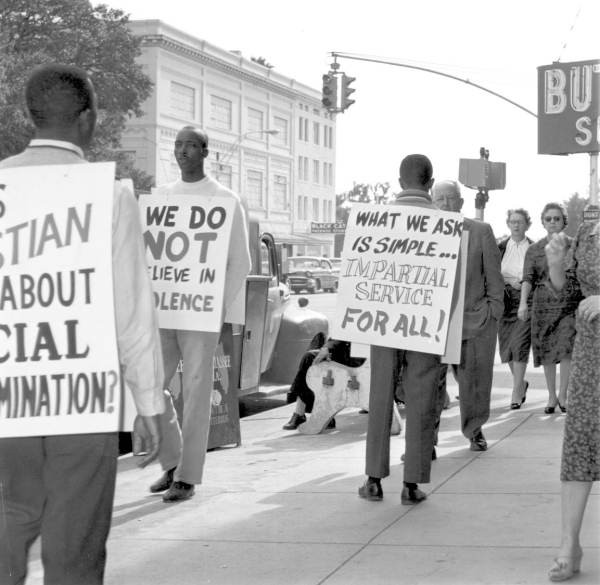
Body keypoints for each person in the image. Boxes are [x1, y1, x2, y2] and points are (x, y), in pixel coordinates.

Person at [0, 64, 164, 585]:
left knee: (5, 528)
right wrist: (149, 403)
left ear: (30, 115)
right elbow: (132, 311)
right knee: (76, 544)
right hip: (82, 402)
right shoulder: (111, 196)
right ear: (89, 118)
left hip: (6, 399)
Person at [148, 125, 251, 502]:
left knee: (195, 390)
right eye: (178, 145)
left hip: (201, 314)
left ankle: (187, 476)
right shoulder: (161, 197)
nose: (183, 151)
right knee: (150, 384)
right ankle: (171, 459)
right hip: (163, 309)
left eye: (191, 145)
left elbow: (240, 261)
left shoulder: (225, 200)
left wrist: (214, 304)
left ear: (205, 152)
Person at [358, 154, 445, 506]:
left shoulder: (375, 221)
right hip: (426, 324)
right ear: (430, 183)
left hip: (383, 321)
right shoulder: (444, 224)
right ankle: (412, 484)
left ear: (399, 182)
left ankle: (374, 479)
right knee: (422, 400)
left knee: (380, 396)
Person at [545, 211, 599, 582]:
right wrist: (556, 265)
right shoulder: (590, 230)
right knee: (579, 442)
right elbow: (568, 294)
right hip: (591, 350)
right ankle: (569, 545)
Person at [431, 180, 504, 451]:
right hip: (433, 325)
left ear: (461, 202)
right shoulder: (422, 233)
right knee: (430, 384)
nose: (446, 204)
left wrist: (492, 312)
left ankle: (474, 430)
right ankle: (428, 439)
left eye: (451, 198)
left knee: (474, 380)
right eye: (440, 199)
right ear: (432, 201)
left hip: (474, 320)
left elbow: (494, 279)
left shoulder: (480, 231)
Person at [519, 203, 581, 414]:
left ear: (564, 221)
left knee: (566, 348)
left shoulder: (574, 245)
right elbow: (527, 278)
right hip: (543, 305)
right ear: (543, 222)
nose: (553, 222)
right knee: (546, 351)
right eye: (548, 219)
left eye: (557, 218)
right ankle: (551, 396)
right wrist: (522, 304)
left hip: (569, 304)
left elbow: (580, 274)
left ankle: (563, 394)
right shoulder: (534, 249)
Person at [283, 327, 365, 430]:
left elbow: (348, 330)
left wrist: (328, 348)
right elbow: (343, 330)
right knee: (310, 357)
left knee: (312, 359)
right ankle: (301, 414)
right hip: (344, 352)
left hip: (358, 359)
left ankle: (317, 414)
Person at [497, 208, 534, 409]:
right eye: (513, 221)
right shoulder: (500, 247)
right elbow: (493, 273)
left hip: (526, 300)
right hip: (505, 299)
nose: (516, 225)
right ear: (508, 224)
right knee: (506, 348)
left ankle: (516, 390)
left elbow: (539, 274)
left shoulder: (534, 248)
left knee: (519, 344)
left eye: (520, 221)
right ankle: (522, 383)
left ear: (527, 224)